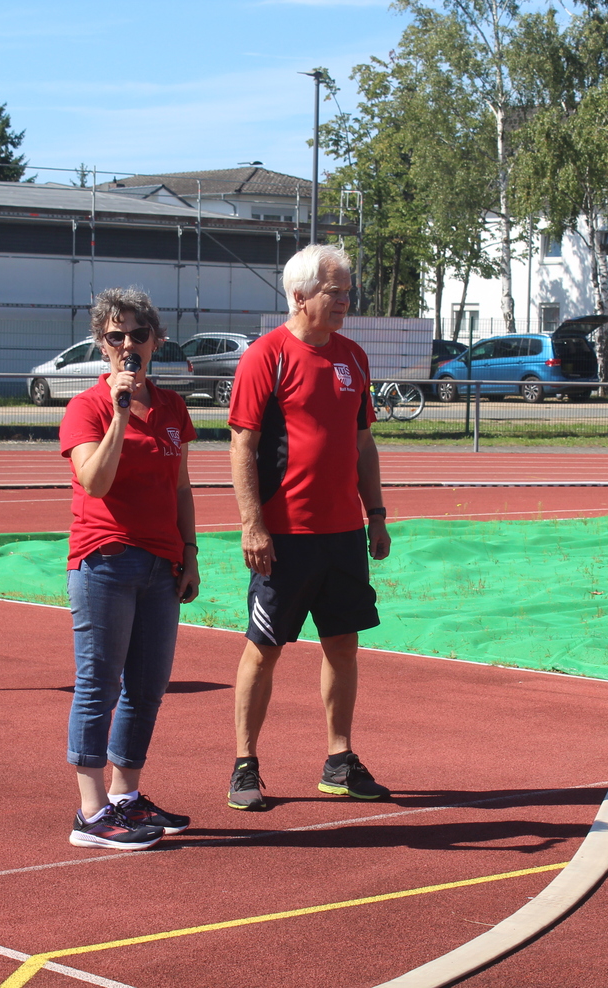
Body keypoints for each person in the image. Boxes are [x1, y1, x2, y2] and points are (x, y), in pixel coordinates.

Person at [224, 243, 392, 812]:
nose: (346, 300)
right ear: (299, 296)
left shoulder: (355, 357)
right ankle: (245, 764)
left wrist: (376, 515)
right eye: (335, 291)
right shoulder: (265, 356)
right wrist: (253, 524)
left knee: (343, 645)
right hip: (284, 537)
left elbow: (363, 443)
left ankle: (339, 761)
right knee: (264, 648)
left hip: (344, 535)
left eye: (347, 291)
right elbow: (242, 445)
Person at [59, 287, 200, 849]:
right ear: (101, 344)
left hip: (161, 565)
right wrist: (120, 413)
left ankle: (125, 795)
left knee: (147, 687)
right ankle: (91, 813)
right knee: (99, 684)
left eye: (137, 335)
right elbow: (95, 480)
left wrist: (189, 554)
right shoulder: (87, 407)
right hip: (106, 562)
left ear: (156, 341)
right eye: (114, 337)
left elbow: (182, 488)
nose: (127, 346)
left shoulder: (172, 409)